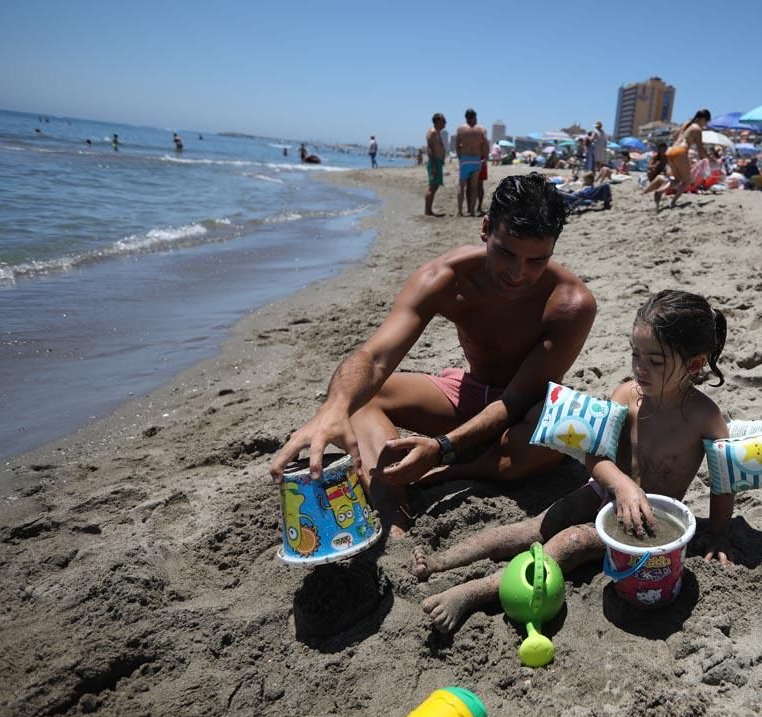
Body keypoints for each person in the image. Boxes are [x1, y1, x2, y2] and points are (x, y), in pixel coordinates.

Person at [269, 174, 597, 538]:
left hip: (525, 416)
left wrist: (442, 450)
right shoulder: (446, 278)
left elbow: (517, 400)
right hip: (469, 395)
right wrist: (334, 408)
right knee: (361, 396)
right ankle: (393, 511)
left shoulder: (570, 304)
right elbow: (375, 358)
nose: (518, 274)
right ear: (485, 229)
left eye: (536, 260)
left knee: (558, 433)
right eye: (506, 253)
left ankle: (454, 471)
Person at [415, 289, 734, 633]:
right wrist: (621, 485)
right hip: (604, 489)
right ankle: (441, 561)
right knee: (534, 527)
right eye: (635, 354)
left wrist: (717, 533)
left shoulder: (706, 418)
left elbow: (723, 482)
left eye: (655, 361)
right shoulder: (626, 395)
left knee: (573, 542)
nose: (640, 367)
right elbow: (595, 456)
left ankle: (473, 592)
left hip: (644, 520)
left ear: (694, 364)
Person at [665, 109, 712, 208]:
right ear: (703, 119)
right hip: (680, 152)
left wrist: (689, 139)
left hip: (671, 151)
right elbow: (700, 149)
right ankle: (673, 202)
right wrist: (711, 158)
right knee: (687, 181)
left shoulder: (686, 124)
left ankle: (660, 190)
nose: (705, 125)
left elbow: (674, 136)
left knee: (677, 180)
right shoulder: (697, 129)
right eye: (706, 122)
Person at [456, 109, 488, 216]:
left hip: (465, 159)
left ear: (465, 117)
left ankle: (460, 211)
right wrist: (485, 157)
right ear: (475, 117)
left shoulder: (460, 129)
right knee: (474, 187)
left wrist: (460, 157)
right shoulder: (480, 129)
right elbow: (486, 144)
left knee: (461, 186)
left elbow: (457, 145)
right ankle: (473, 212)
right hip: (476, 159)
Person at [425, 114, 447, 216]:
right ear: (437, 121)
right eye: (443, 121)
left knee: (435, 186)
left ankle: (429, 210)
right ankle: (427, 210)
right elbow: (430, 149)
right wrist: (434, 165)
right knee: (432, 186)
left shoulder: (437, 132)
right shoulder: (433, 132)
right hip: (434, 162)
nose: (445, 123)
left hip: (437, 162)